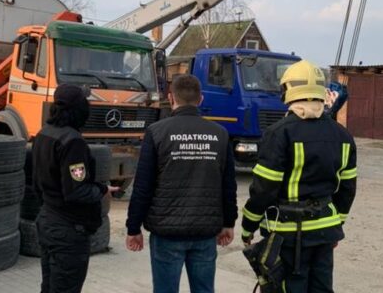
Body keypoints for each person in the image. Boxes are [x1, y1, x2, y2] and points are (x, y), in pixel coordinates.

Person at [241, 60, 357, 293]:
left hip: (288, 236)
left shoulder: (279, 133)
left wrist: (248, 226)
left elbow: (264, 189)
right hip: (325, 232)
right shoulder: (343, 135)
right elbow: (347, 189)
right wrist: (336, 224)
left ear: (287, 90)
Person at [125, 74, 238, 293]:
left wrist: (133, 227)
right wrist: (229, 222)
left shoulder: (157, 132)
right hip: (205, 231)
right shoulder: (220, 134)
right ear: (201, 99)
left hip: (167, 232)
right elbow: (228, 185)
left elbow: (143, 186)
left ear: (171, 98)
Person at [32, 84, 119, 293]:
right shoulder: (72, 142)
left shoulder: (43, 134)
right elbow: (76, 191)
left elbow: (36, 183)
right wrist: (102, 190)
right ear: (79, 108)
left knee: (49, 286)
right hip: (68, 230)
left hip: (47, 220)